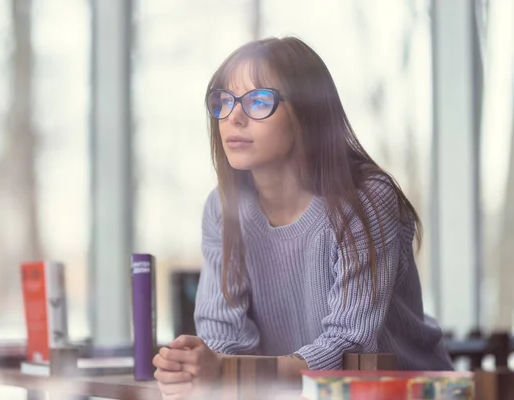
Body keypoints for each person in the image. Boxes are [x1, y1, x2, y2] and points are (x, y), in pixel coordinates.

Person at [152, 36, 454, 398]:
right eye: (223, 101)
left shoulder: (365, 200)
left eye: (259, 100)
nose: (234, 116)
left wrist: (225, 370)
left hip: (410, 392)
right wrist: (195, 367)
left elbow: (349, 349)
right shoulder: (222, 208)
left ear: (309, 112)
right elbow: (222, 338)